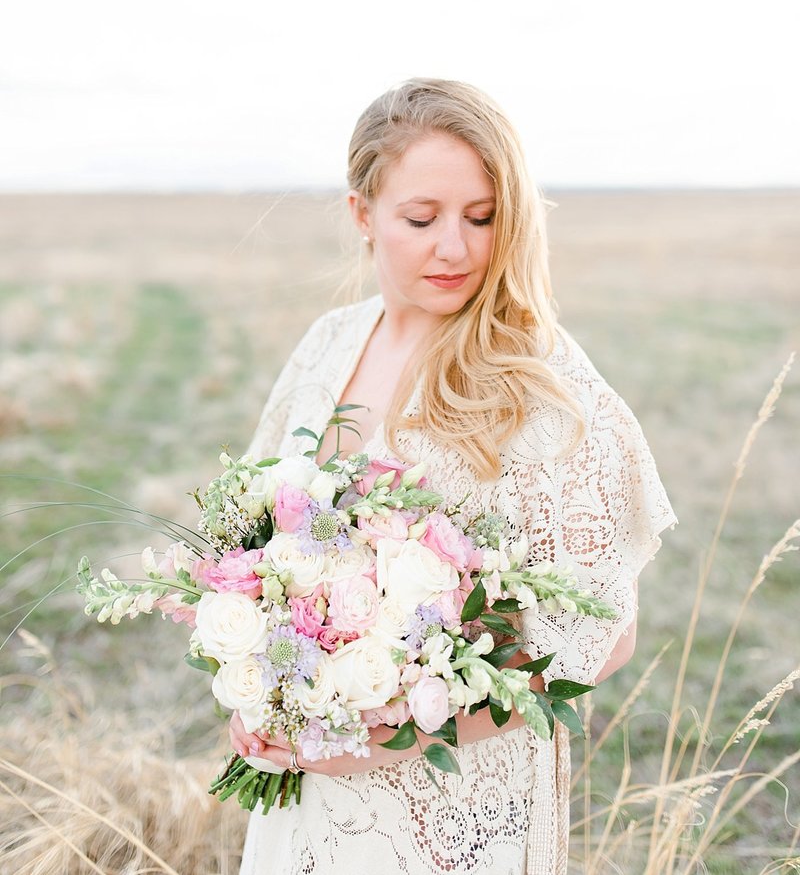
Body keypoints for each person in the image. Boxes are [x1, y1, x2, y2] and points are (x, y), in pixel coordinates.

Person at [232, 79, 677, 875]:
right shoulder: (329, 344)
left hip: (454, 806)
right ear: (362, 215)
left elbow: (603, 640)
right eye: (421, 218)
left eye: (482, 217)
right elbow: (253, 547)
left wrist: (386, 741)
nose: (456, 249)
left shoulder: (536, 384)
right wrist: (262, 698)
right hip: (308, 791)